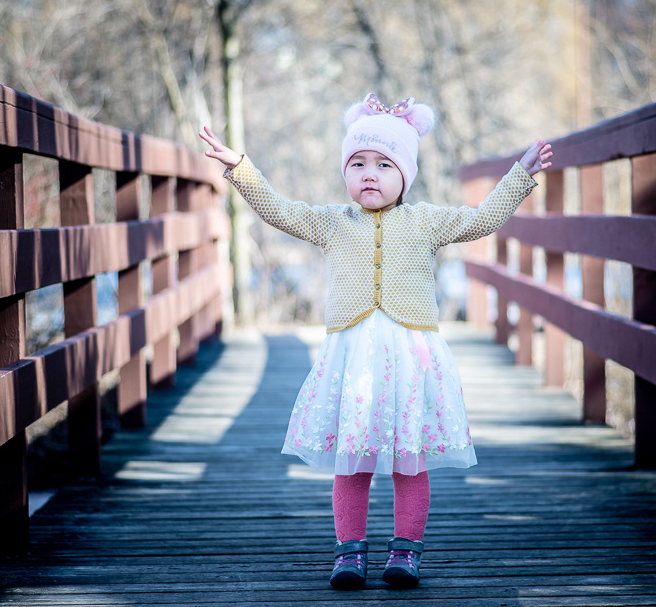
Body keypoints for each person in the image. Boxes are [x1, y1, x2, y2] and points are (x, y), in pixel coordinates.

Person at [200, 93, 552, 590]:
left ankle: (406, 552)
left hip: (411, 360)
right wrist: (240, 168)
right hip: (354, 362)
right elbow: (279, 211)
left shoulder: (426, 220)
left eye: (384, 165)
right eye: (358, 164)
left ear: (404, 175)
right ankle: (350, 553)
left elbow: (482, 219)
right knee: (354, 459)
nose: (369, 174)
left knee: (410, 460)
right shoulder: (331, 222)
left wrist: (520, 174)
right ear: (345, 173)